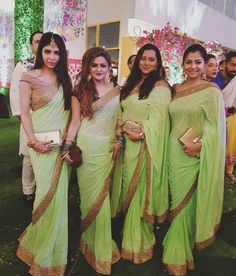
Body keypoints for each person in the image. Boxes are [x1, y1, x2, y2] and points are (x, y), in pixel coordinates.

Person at [163, 44, 226, 275]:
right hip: (172, 153)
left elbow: (216, 129)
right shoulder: (175, 89)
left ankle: (177, 254)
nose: (193, 66)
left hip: (194, 154)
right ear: (182, 64)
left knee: (186, 203)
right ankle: (184, 245)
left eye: (197, 62)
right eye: (188, 62)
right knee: (176, 202)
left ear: (205, 65)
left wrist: (199, 146)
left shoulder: (211, 92)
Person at [61, 47, 121, 275]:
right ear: (88, 67)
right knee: (89, 198)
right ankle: (89, 240)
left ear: (109, 67)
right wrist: (67, 145)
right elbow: (75, 122)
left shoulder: (117, 91)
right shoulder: (80, 91)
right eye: (94, 65)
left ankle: (102, 244)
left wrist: (118, 139)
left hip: (107, 149)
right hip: (87, 148)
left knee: (102, 199)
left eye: (102, 65)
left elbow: (119, 119)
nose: (98, 69)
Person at [16, 32, 72, 275]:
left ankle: (54, 248)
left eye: (57, 52)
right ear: (40, 52)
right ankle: (42, 245)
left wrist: (69, 142)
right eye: (47, 51)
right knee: (44, 194)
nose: (52, 56)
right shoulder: (29, 77)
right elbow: (25, 113)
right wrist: (32, 142)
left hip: (61, 147)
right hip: (40, 145)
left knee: (60, 196)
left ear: (62, 54)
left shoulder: (65, 79)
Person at [111, 43, 171, 264]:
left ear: (158, 63)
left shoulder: (161, 86)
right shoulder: (131, 84)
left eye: (151, 59)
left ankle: (138, 242)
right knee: (128, 188)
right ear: (137, 61)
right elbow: (121, 111)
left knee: (139, 193)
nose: (146, 63)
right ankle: (128, 233)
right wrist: (122, 127)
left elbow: (159, 121)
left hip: (146, 148)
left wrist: (139, 131)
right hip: (127, 147)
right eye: (143, 59)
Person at [10, 31, 43, 205]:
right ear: (31, 45)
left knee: (46, 152)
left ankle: (43, 187)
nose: (40, 44)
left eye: (42, 41)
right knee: (29, 156)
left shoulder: (51, 65)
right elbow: (15, 92)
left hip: (47, 118)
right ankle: (28, 190)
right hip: (28, 117)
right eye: (36, 41)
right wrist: (21, 115)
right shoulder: (23, 65)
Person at [221, 51, 236, 183]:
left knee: (229, 144)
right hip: (214, 119)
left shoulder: (234, 81)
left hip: (229, 118)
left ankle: (228, 171)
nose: (234, 68)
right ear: (224, 64)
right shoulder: (215, 79)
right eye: (232, 64)